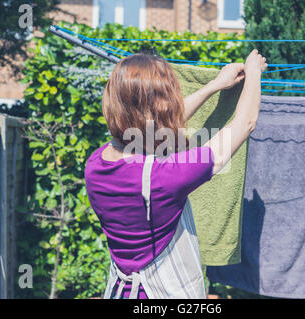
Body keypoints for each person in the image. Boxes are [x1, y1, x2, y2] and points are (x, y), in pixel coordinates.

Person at [84, 49, 267, 299]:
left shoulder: (96, 164)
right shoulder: (166, 176)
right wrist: (254, 72)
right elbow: (244, 123)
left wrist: (214, 86)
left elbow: (160, 128)